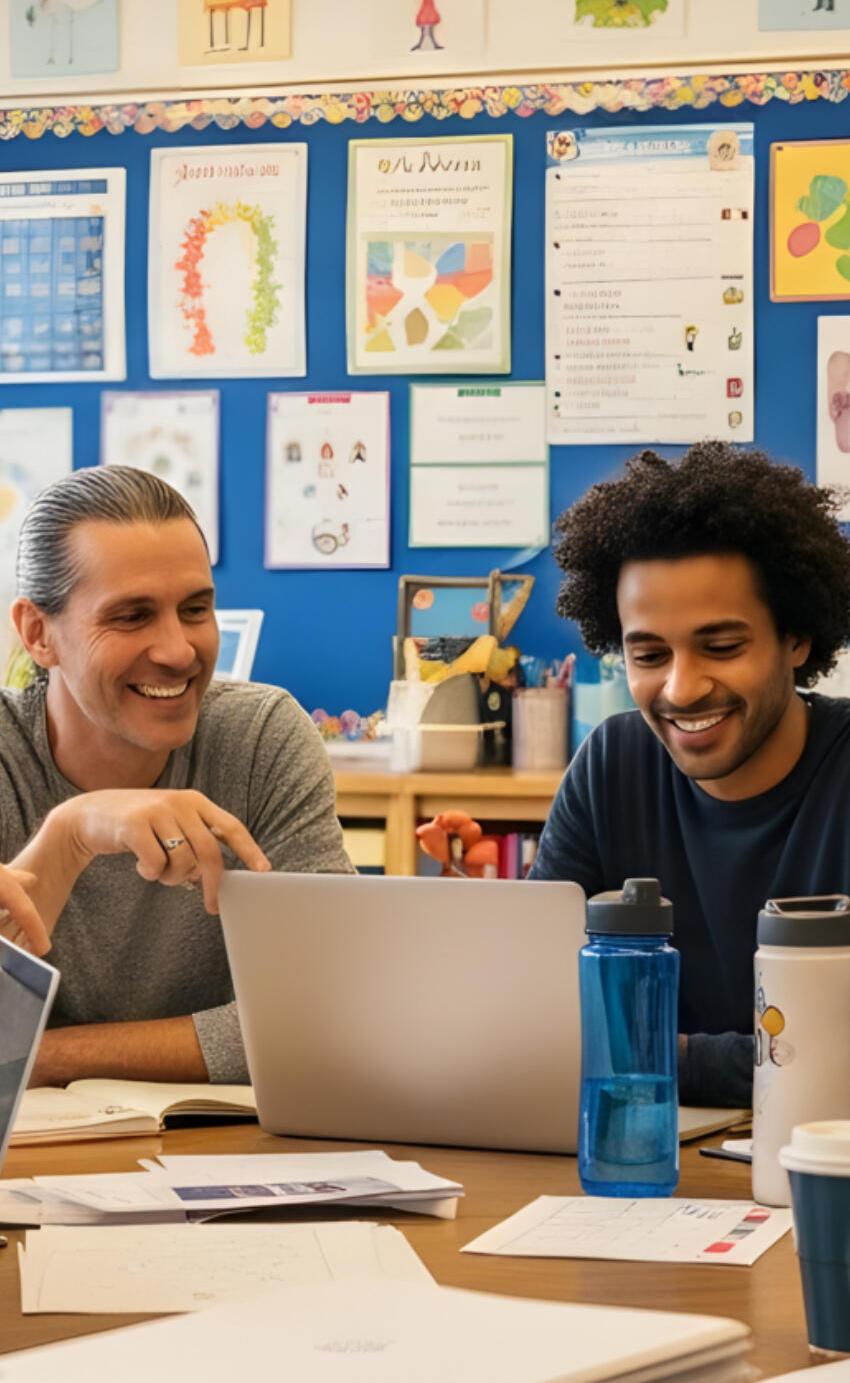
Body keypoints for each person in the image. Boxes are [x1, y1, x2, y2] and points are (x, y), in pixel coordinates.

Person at [424, 442, 850, 1107]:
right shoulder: (612, 764)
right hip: (650, 1163)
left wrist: (650, 1053)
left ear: (796, 638)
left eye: (723, 647)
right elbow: (539, 1016)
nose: (681, 688)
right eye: (649, 654)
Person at [2, 465, 352, 1089]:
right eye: (132, 616)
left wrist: (44, 1058)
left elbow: (329, 1012)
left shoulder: (261, 739)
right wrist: (69, 835)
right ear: (38, 633)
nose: (179, 651)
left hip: (228, 1154)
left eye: (195, 609)